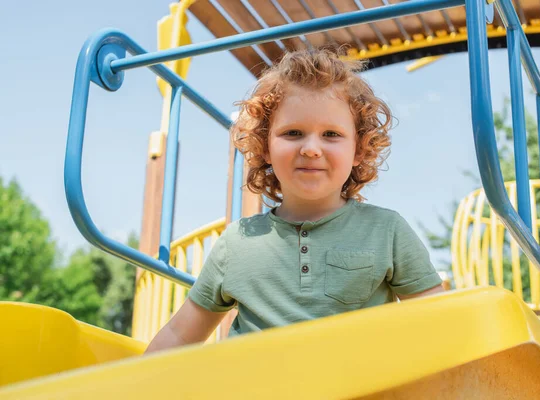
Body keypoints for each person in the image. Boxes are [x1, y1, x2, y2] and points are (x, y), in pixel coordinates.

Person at [145, 49, 444, 354]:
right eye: (293, 133)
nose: (311, 148)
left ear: (358, 150)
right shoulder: (236, 243)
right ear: (265, 147)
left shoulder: (386, 231)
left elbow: (439, 325)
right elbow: (180, 336)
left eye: (331, 134)